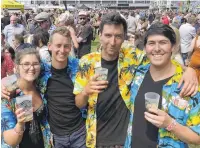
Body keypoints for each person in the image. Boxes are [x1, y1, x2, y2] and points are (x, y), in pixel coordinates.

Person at [73, 12, 199, 148]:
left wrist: (190, 70)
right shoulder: (87, 62)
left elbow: (160, 57)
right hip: (97, 139)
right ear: (100, 35)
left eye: (118, 36)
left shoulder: (132, 58)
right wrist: (86, 91)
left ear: (124, 38)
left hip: (124, 141)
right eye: (108, 35)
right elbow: (78, 103)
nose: (113, 42)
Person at [125, 22, 200, 148]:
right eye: (151, 43)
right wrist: (190, 69)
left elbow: (197, 137)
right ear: (145, 48)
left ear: (173, 47)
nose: (157, 48)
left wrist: (170, 124)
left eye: (163, 42)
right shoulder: (138, 74)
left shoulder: (188, 85)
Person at [37, 26, 86, 148]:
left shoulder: (80, 69)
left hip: (80, 133)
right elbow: (23, 73)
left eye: (66, 46)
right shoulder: (41, 72)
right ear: (49, 46)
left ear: (70, 47)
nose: (62, 50)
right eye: (58, 45)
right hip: (56, 136)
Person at [1, 48, 52, 148]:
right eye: (26, 64)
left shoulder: (41, 84)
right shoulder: (9, 94)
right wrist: (20, 124)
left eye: (35, 64)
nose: (31, 68)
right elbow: (11, 142)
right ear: (17, 67)